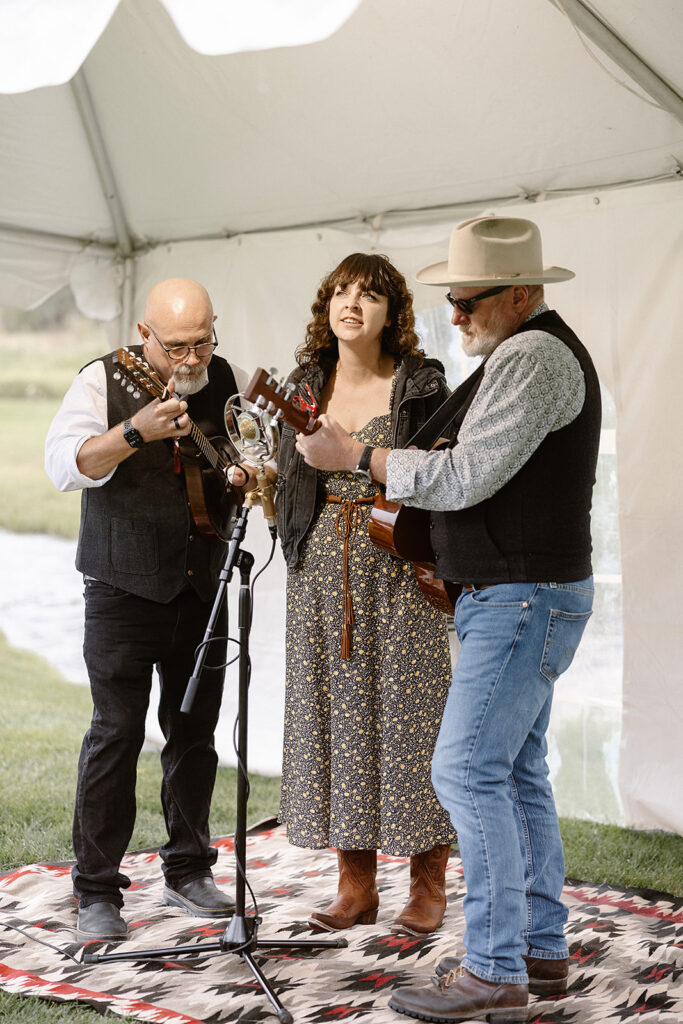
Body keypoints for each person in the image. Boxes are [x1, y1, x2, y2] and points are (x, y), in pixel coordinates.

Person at [294, 218, 601, 1022]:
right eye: (452, 300)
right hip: (517, 593)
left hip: (520, 596)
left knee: (464, 771)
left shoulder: (534, 358)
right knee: (514, 772)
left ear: (522, 294)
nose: (455, 314)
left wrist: (356, 457)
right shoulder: (517, 352)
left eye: (469, 300)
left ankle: (494, 970)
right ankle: (538, 949)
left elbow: (465, 475)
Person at [45, 278, 248, 943]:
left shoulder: (224, 378)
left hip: (202, 584)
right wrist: (133, 431)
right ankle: (97, 890)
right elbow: (65, 465)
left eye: (202, 343)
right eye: (177, 347)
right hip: (121, 588)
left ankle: (188, 869)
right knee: (116, 732)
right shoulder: (101, 380)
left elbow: (240, 455)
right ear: (144, 335)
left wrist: (243, 474)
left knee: (195, 733)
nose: (191, 360)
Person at [276, 253, 455, 935]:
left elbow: (445, 473)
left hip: (399, 566)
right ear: (326, 305)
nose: (351, 304)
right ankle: (355, 887)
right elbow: (289, 480)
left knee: (413, 716)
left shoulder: (419, 384)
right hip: (320, 573)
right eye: (341, 292)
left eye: (370, 295)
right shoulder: (303, 385)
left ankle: (427, 884)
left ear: (392, 313)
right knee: (340, 717)